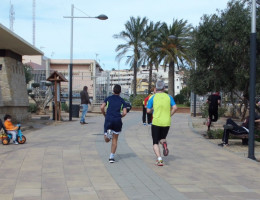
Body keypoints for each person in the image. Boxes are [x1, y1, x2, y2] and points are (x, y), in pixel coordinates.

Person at [146, 80, 178, 166]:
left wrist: (153, 109)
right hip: (166, 122)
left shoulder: (152, 97)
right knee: (162, 138)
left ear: (156, 88)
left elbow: (148, 110)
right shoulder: (169, 97)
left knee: (155, 142)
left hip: (156, 122)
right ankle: (164, 143)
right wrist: (169, 115)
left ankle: (160, 160)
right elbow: (175, 108)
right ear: (164, 88)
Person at [100, 84, 127, 163]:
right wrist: (120, 116)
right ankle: (111, 157)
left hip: (108, 119)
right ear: (120, 92)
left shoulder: (108, 98)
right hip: (117, 120)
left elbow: (102, 107)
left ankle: (108, 135)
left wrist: (104, 114)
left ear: (113, 91)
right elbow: (125, 112)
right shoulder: (122, 101)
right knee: (115, 139)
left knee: (107, 140)